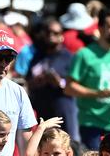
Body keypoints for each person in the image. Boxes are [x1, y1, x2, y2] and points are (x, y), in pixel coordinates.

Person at [65, 9, 110, 151]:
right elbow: (69, 87)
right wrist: (97, 94)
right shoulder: (84, 55)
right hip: (91, 122)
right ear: (100, 28)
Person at [26, 17, 80, 147]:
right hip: (43, 110)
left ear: (61, 36)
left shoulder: (69, 57)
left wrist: (59, 82)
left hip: (64, 110)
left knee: (67, 147)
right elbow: (28, 81)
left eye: (55, 33)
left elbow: (76, 85)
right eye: (48, 33)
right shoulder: (37, 56)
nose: (51, 36)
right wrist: (39, 81)